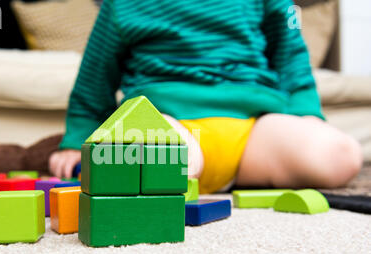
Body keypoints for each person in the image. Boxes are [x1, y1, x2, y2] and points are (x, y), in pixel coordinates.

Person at [49, 0, 362, 194]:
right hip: (169, 119)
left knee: (342, 154)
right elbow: (95, 76)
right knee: (164, 156)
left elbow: (290, 54)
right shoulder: (122, 4)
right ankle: (178, 174)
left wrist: (305, 113)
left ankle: (210, 175)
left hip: (253, 130)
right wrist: (77, 140)